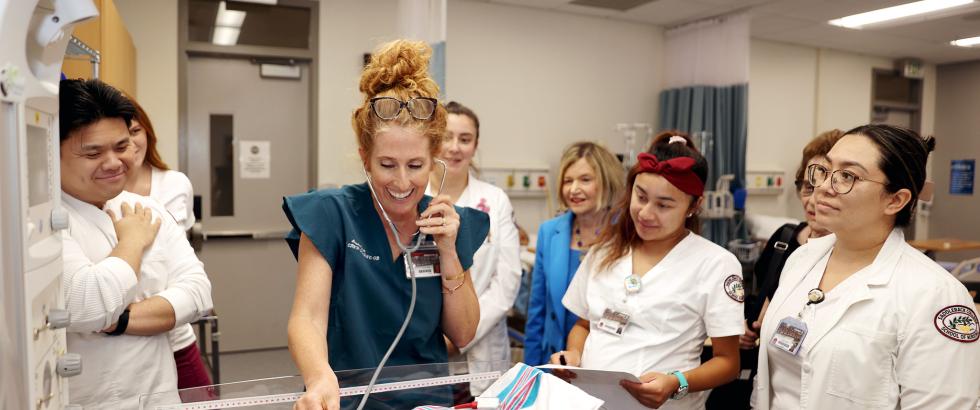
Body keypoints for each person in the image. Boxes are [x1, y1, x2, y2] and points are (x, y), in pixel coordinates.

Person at [282, 40, 489, 410]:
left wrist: (448, 251)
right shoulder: (331, 216)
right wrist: (318, 377)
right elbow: (307, 318)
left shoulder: (448, 225)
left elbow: (463, 333)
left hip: (427, 401)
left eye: (416, 165)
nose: (402, 182)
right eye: (387, 165)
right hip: (347, 398)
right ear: (366, 159)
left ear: (434, 161)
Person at [752, 124, 980, 409]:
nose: (823, 187)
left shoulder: (936, 295)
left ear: (895, 200)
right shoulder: (802, 260)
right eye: (825, 170)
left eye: (848, 176)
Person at [551, 133, 744, 409]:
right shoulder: (604, 252)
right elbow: (583, 325)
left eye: (663, 205)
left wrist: (676, 382)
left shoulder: (715, 264)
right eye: (640, 197)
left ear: (694, 206)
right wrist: (573, 354)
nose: (645, 213)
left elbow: (728, 363)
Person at [59, 78, 212, 409]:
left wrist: (119, 320)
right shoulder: (43, 222)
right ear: (50, 153)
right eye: (93, 152)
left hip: (160, 396)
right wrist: (132, 241)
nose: (114, 162)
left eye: (121, 146)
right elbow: (91, 303)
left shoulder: (145, 207)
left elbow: (199, 292)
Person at [428, 101, 521, 393]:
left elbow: (507, 282)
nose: (455, 148)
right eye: (446, 137)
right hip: (426, 347)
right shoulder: (412, 199)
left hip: (483, 353)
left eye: (465, 139)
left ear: (475, 145)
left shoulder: (495, 201)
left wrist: (462, 334)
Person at [123, 96, 210, 390]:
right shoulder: (97, 192)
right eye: (119, 138)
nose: (129, 143)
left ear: (147, 131)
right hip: (119, 341)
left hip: (172, 332)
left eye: (135, 131)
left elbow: (175, 259)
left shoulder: (174, 183)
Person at [524, 141, 625, 366]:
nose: (574, 189)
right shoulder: (549, 232)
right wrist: (531, 371)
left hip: (605, 362)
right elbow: (537, 311)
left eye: (585, 180)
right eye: (568, 181)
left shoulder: (625, 235)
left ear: (606, 182)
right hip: (555, 359)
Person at [740, 130, 843, 350]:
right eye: (808, 188)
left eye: (827, 191)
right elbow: (760, 298)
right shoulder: (784, 239)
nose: (814, 201)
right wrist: (746, 326)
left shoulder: (848, 255)